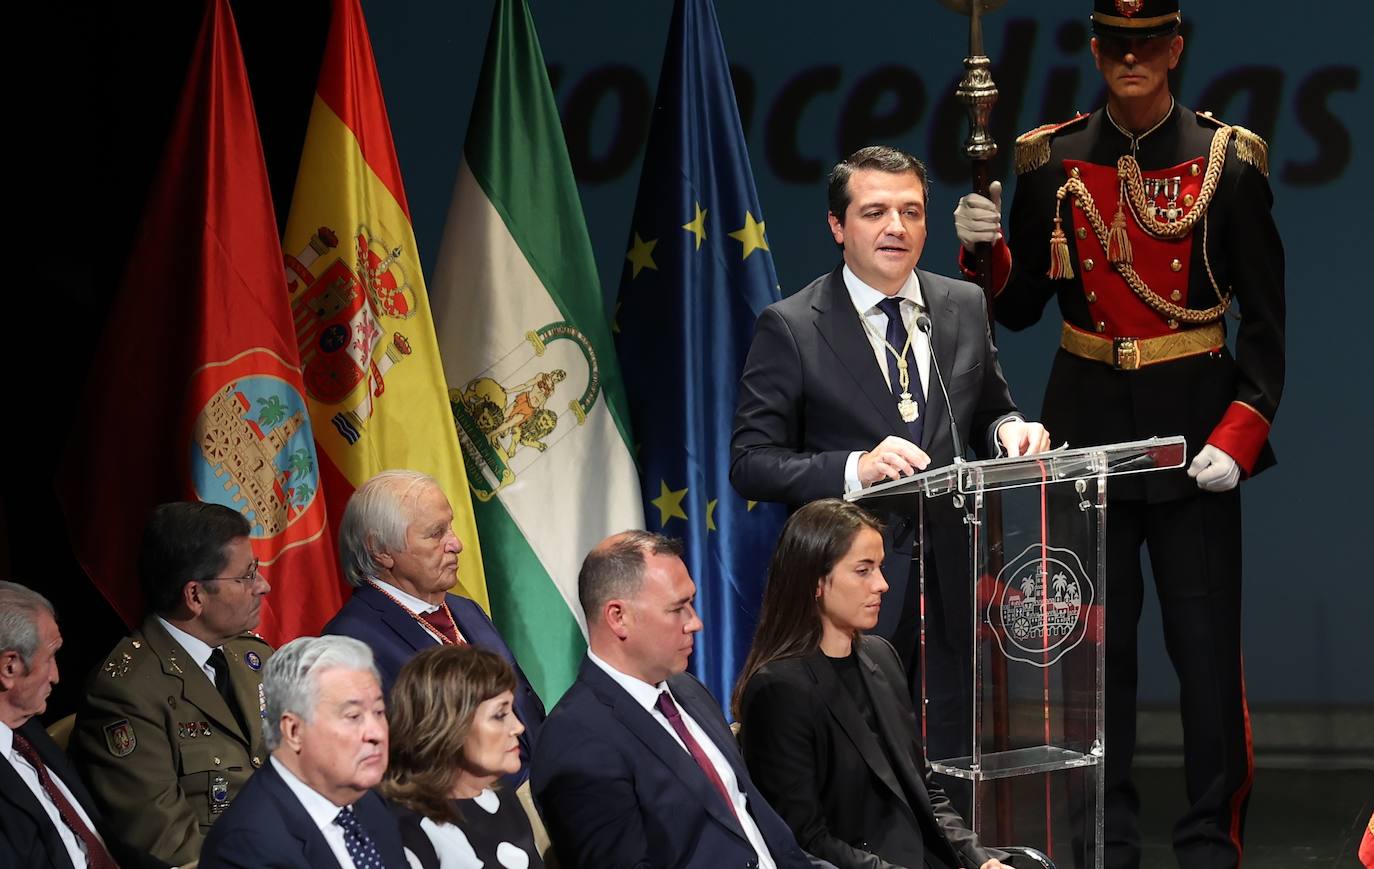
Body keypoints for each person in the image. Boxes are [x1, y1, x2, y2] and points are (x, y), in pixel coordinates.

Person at [951, 4, 1283, 868]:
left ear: (1175, 48)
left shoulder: (1227, 161)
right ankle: (1106, 841)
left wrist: (1240, 431)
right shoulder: (1050, 158)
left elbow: (1267, 324)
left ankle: (1210, 840)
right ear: (1097, 51)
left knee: (1206, 658)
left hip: (1193, 433)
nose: (1132, 59)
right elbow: (1018, 309)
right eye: (1116, 45)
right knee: (1096, 659)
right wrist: (983, 251)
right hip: (1088, 431)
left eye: (1149, 44)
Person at [730, 144, 1049, 764]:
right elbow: (751, 462)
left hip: (952, 585)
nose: (896, 228)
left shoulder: (962, 305)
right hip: (845, 590)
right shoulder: (792, 325)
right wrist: (856, 468)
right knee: (859, 764)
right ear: (837, 226)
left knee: (949, 761)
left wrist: (1011, 430)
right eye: (875, 212)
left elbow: (988, 410)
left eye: (911, 211)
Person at [532, 531, 833, 869]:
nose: (696, 622)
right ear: (618, 617)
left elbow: (759, 832)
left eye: (691, 603)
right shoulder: (576, 742)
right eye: (678, 609)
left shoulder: (688, 691)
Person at [733, 501, 1007, 869]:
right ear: (815, 582)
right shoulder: (778, 690)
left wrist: (978, 858)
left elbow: (924, 790)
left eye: (879, 567)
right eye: (863, 570)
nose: (883, 584)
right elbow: (805, 840)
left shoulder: (881, 655)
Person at [71, 502, 275, 867]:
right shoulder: (125, 694)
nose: (263, 585)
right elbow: (169, 847)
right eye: (246, 576)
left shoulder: (250, 658)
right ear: (195, 595)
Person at [322, 469, 545, 785]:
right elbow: (391, 767)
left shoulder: (464, 610)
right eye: (436, 533)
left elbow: (525, 706)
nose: (457, 543)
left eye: (450, 527)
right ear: (381, 550)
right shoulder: (347, 645)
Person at [0, 581, 169, 869]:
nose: (56, 676)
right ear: (9, 668)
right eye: (51, 656)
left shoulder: (28, 732)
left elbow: (105, 843)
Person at [199, 635, 406, 869]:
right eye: (353, 717)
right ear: (294, 731)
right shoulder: (247, 846)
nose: (376, 733)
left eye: (379, 712)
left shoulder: (370, 800)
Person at [382, 644, 546, 869]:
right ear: (448, 726)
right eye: (499, 715)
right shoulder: (410, 830)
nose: (518, 727)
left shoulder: (502, 797)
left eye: (512, 712)